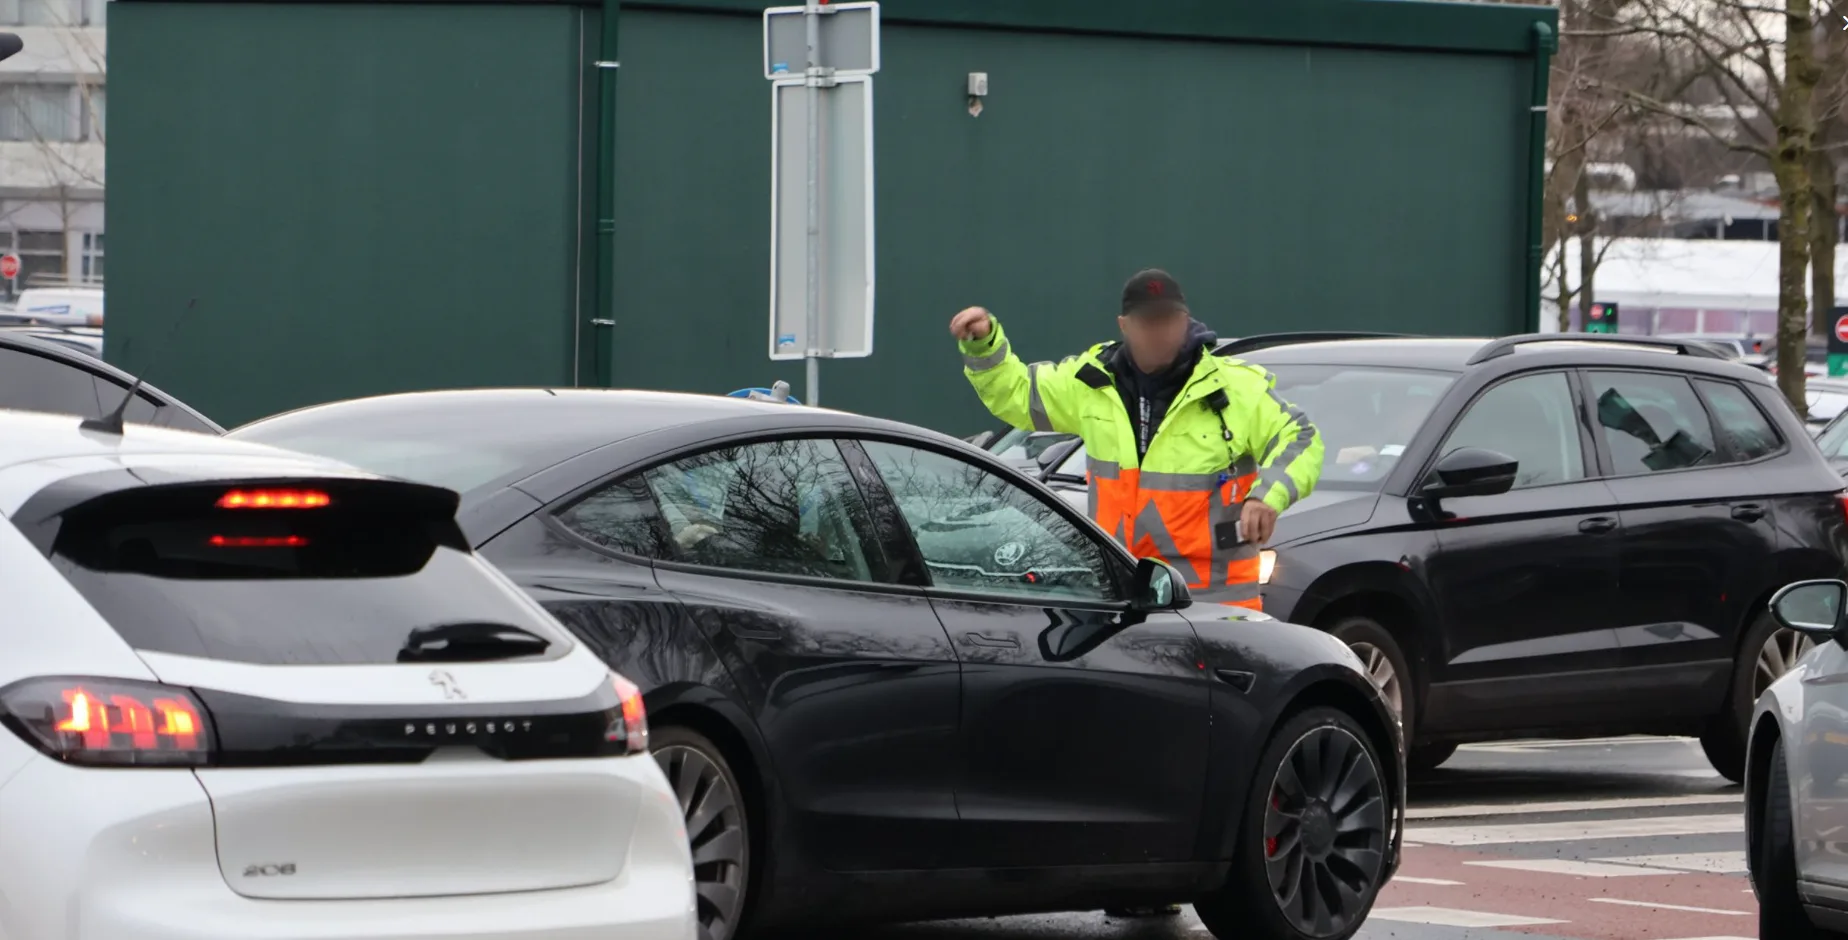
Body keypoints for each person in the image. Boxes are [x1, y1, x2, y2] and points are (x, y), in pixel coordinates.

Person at [951, 268, 1323, 612]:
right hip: (1128, 598)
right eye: (1148, 323)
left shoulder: (1234, 388)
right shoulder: (1090, 382)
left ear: (1185, 320)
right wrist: (984, 346)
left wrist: (1266, 497)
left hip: (1217, 606)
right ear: (1124, 325)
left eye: (1169, 321)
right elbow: (1017, 394)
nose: (1159, 333)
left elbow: (1301, 438)